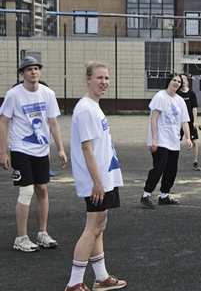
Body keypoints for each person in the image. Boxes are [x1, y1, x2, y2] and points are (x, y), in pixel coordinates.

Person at [65, 62, 126, 291]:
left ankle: (101, 278)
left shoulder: (94, 106)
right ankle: (74, 283)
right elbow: (87, 149)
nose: (104, 82)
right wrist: (97, 183)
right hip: (96, 181)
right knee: (92, 228)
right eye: (100, 77)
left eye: (107, 78)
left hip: (104, 178)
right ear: (88, 79)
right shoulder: (86, 108)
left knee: (100, 225)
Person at [0, 56, 67, 252]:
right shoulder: (14, 95)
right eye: (29, 69)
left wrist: (60, 149)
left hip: (41, 150)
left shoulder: (48, 94)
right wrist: (3, 152)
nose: (34, 72)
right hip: (21, 149)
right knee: (26, 190)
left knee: (42, 190)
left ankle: (42, 234)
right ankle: (21, 238)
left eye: (36, 68)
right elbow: (3, 122)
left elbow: (53, 123)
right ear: (22, 74)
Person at [140, 73, 191, 209]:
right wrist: (154, 139)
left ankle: (164, 195)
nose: (176, 83)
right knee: (159, 166)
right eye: (174, 80)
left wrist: (188, 138)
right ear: (169, 81)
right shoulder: (160, 96)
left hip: (173, 140)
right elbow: (153, 118)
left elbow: (184, 121)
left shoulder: (180, 100)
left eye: (179, 81)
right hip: (160, 139)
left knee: (171, 168)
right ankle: (146, 194)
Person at [176, 74, 201, 171]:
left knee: (194, 142)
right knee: (176, 141)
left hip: (189, 122)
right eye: (181, 80)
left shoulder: (192, 94)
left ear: (188, 81)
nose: (183, 81)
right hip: (179, 122)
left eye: (185, 79)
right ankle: (173, 161)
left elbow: (194, 108)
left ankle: (195, 162)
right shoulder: (177, 94)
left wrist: (195, 121)